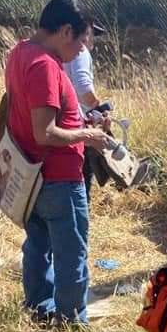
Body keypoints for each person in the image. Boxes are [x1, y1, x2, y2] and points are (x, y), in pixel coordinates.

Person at [5, 0, 109, 325]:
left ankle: (39, 306)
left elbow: (37, 114)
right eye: (80, 42)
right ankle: (71, 321)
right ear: (65, 31)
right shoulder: (45, 66)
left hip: (33, 174)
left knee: (38, 243)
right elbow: (45, 132)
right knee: (71, 251)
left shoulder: (20, 52)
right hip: (58, 179)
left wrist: (81, 121)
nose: (81, 50)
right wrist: (87, 135)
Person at [63, 20, 107, 200]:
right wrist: (98, 108)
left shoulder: (62, 50)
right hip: (79, 125)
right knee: (82, 179)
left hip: (63, 123)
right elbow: (83, 87)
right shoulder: (81, 52)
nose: (92, 39)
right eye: (91, 33)